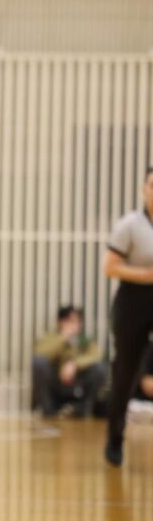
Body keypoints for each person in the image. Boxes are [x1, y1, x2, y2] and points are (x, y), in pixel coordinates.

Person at [104, 166, 153, 467]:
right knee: (125, 372)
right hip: (133, 301)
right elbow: (110, 267)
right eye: (152, 185)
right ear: (144, 189)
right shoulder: (129, 225)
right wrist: (146, 275)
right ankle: (114, 440)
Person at [31, 306, 107, 418]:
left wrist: (74, 365)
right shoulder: (50, 337)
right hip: (56, 383)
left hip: (77, 383)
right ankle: (48, 411)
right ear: (60, 322)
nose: (74, 325)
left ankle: (83, 409)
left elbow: (97, 355)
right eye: (70, 321)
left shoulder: (85, 340)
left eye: (77, 322)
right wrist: (63, 338)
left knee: (100, 368)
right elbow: (40, 353)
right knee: (38, 363)